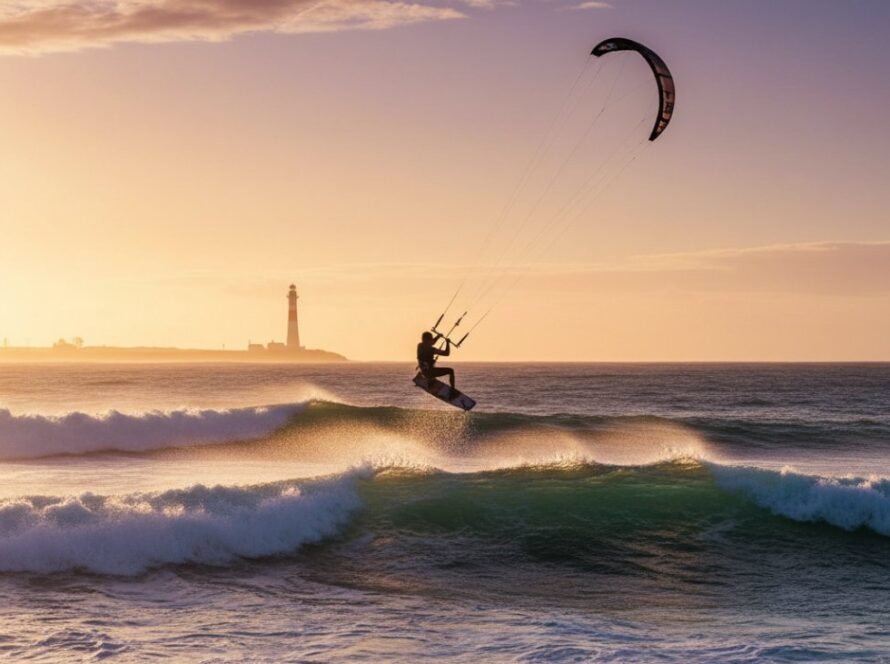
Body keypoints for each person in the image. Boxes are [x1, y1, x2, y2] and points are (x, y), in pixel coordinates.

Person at [417, 331, 456, 397]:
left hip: (423, 372)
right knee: (451, 371)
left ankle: (430, 381)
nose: (432, 341)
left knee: (431, 368)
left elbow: (432, 342)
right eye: (430, 339)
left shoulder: (420, 346)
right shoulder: (431, 349)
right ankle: (452, 391)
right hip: (430, 372)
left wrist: (438, 337)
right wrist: (447, 343)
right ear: (427, 340)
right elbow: (446, 353)